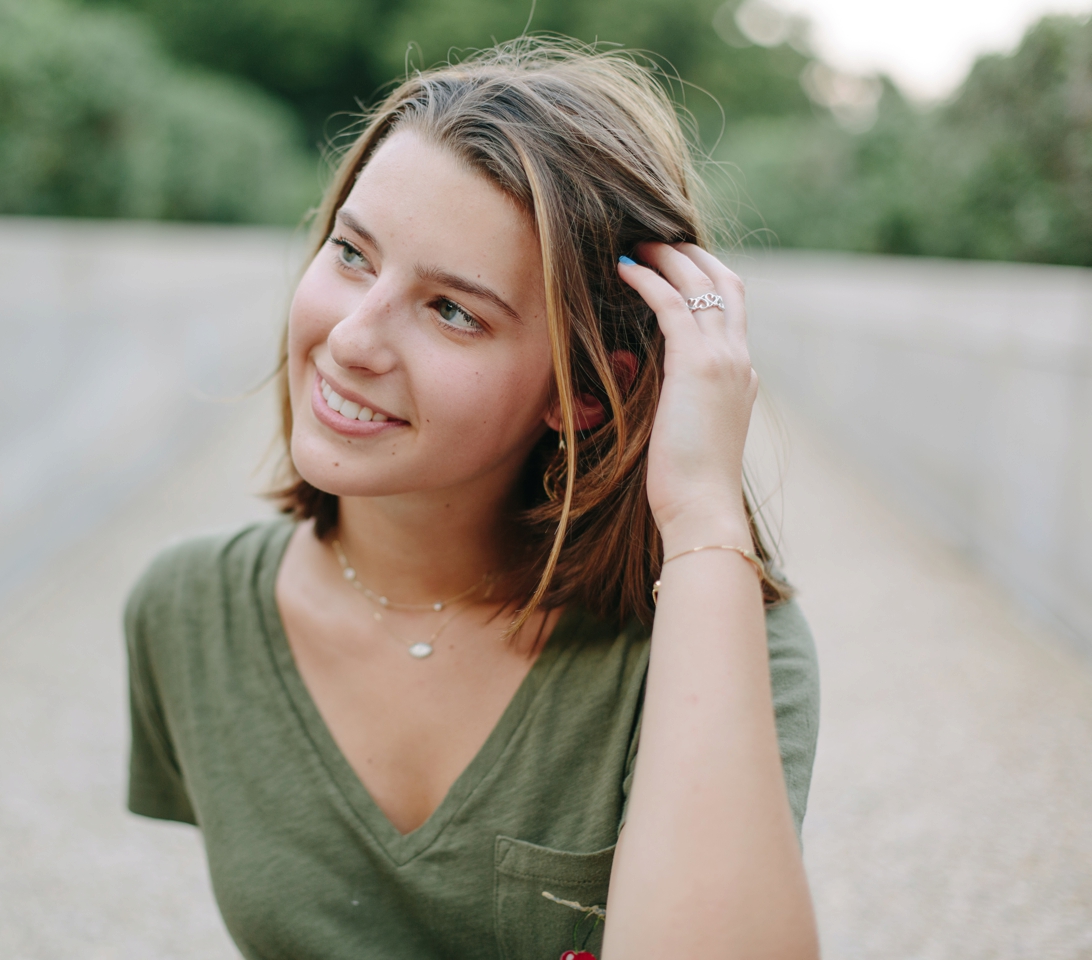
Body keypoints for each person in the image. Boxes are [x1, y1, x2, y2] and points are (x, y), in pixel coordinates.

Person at [124, 39, 820, 960]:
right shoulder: (187, 612)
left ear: (578, 393)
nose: (353, 338)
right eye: (351, 254)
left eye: (453, 309)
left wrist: (700, 515)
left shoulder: (721, 642)